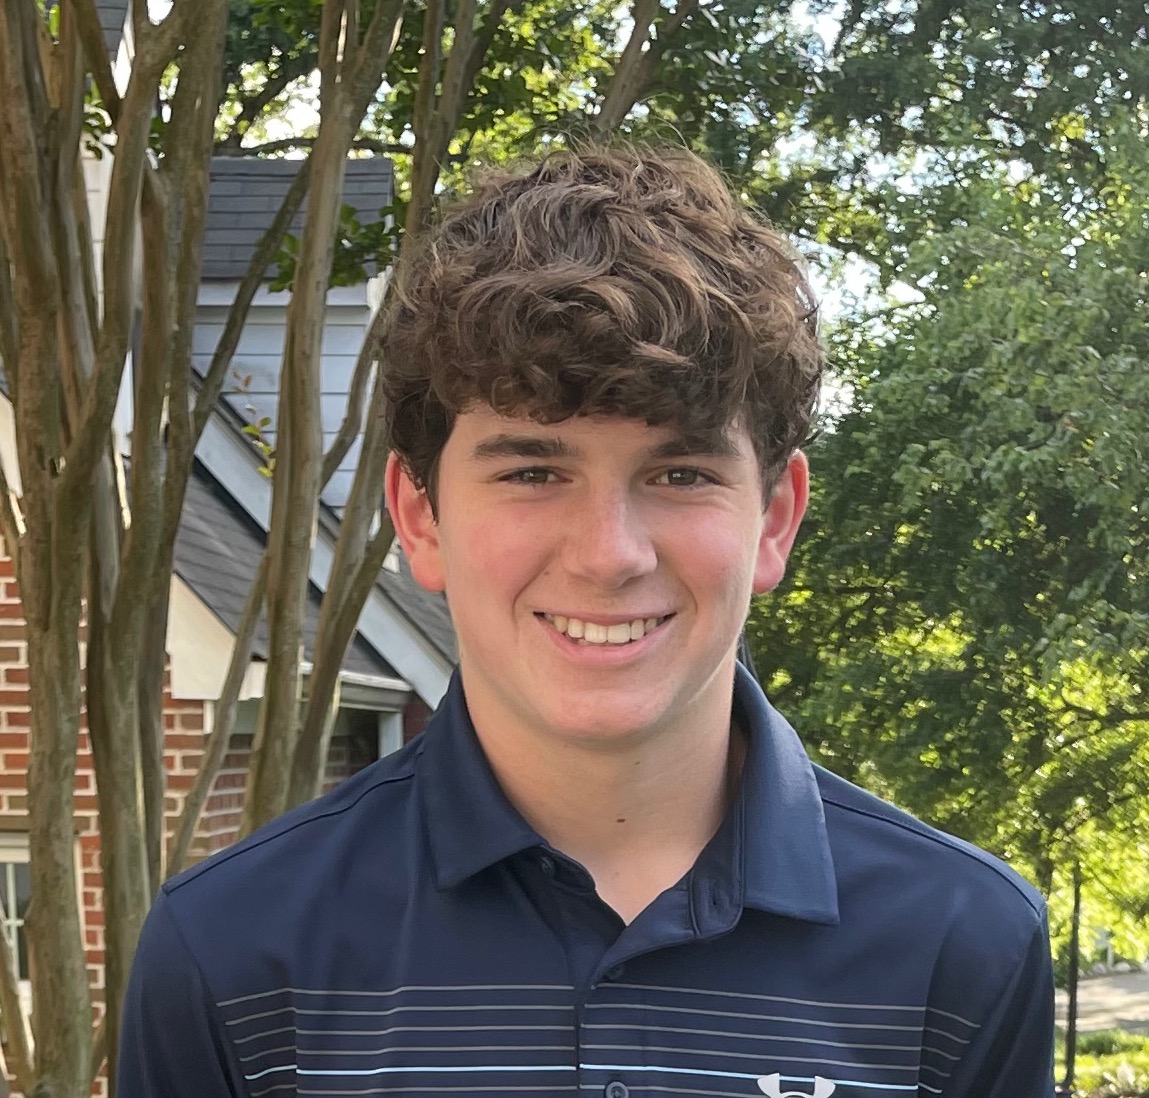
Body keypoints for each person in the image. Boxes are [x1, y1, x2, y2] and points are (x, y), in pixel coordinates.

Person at [117, 146, 1054, 1097]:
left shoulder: (963, 947)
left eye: (680, 473)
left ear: (773, 521)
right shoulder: (229, 955)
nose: (609, 555)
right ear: (420, 517)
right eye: (533, 472)